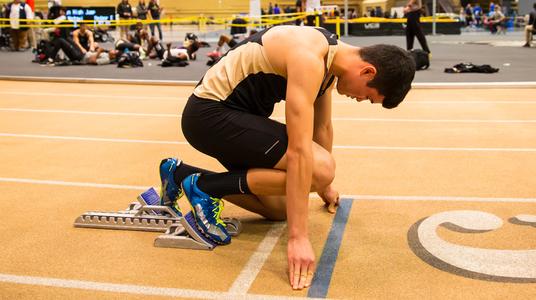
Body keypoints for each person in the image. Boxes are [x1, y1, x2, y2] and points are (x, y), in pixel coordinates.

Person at [157, 25, 415, 290]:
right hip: (209, 115)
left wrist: (323, 187)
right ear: (367, 71)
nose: (360, 99)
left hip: (230, 119)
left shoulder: (329, 62)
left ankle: (180, 175)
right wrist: (298, 237)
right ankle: (204, 189)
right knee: (321, 168)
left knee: (280, 208)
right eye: (368, 96)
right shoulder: (308, 56)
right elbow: (300, 150)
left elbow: (322, 128)